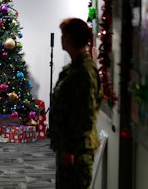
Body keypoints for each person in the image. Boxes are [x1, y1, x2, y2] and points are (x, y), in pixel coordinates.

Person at [49, 18, 103, 189]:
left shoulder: (84, 72)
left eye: (64, 34)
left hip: (77, 151)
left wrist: (70, 150)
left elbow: (86, 114)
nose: (61, 38)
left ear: (71, 38)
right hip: (67, 147)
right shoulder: (73, 68)